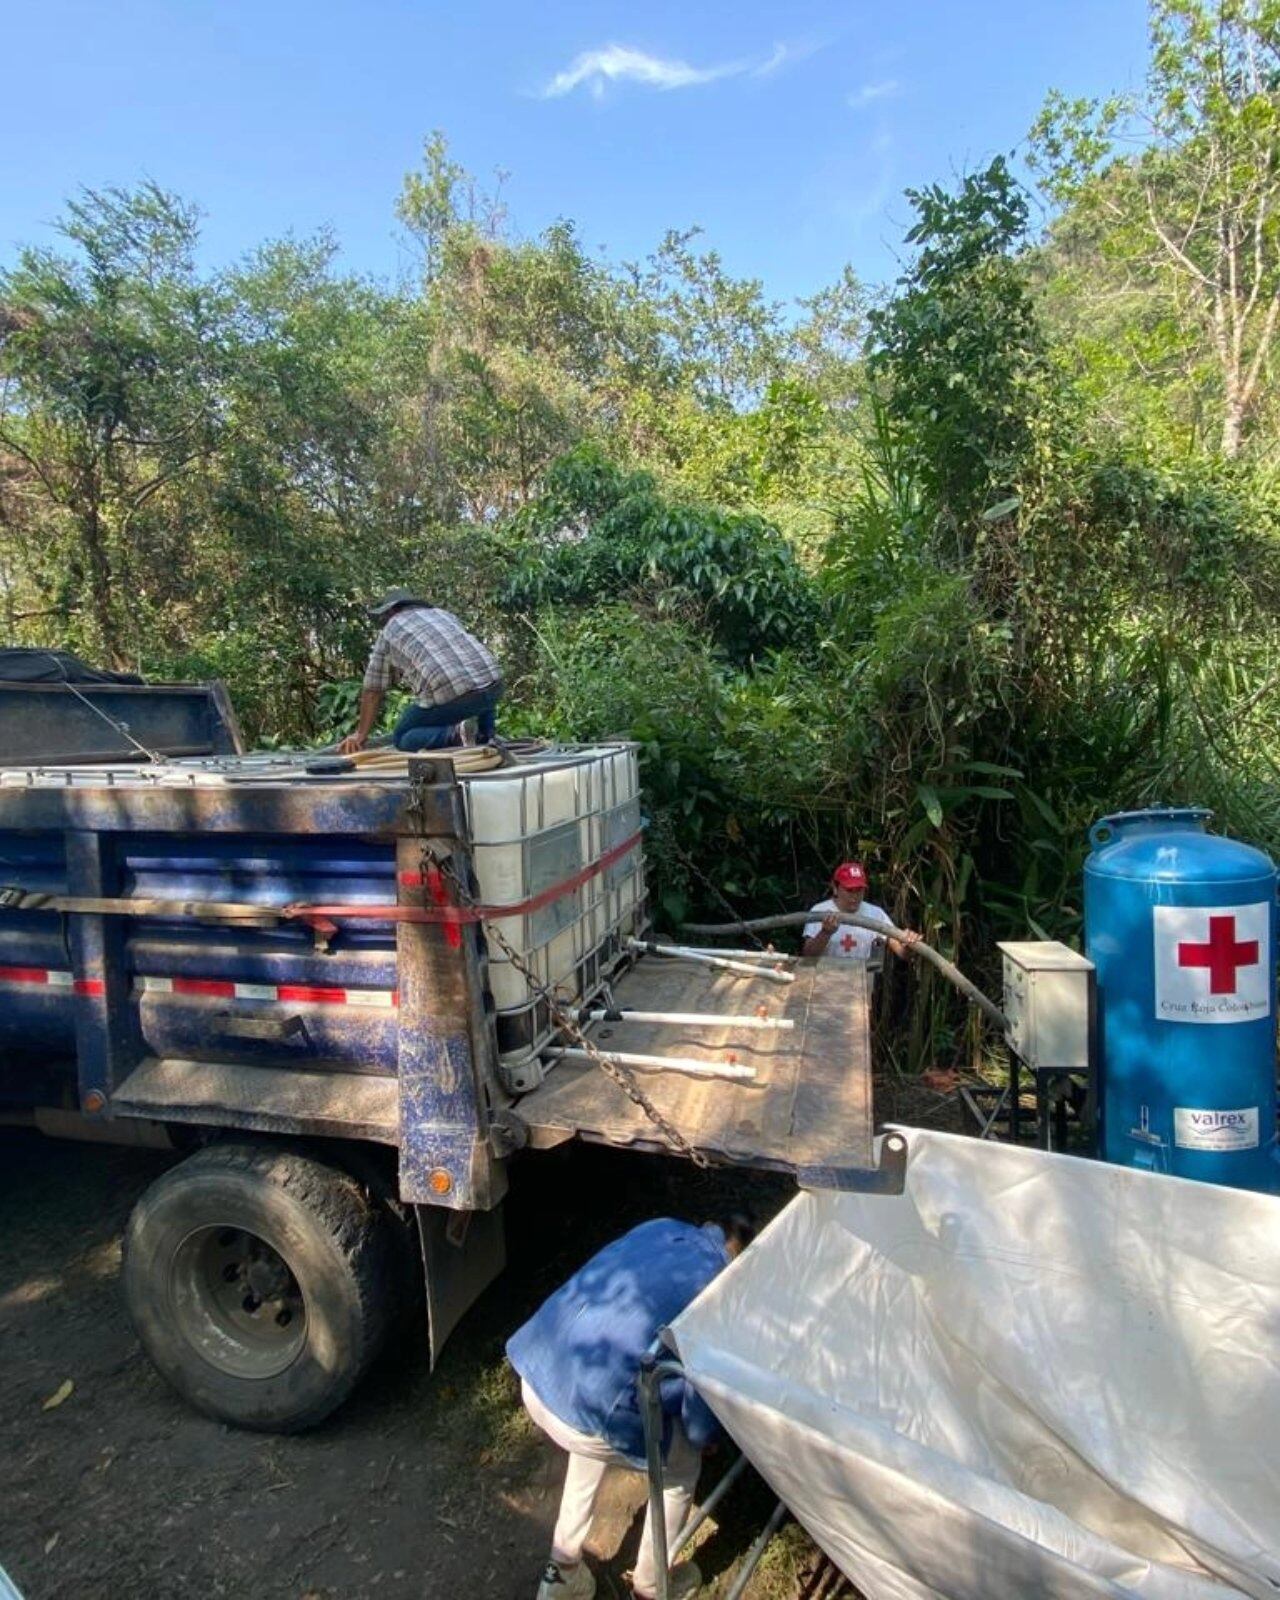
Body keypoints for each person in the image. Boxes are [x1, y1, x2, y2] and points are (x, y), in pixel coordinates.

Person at [507, 1215, 754, 1600]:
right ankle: (652, 1586)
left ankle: (563, 1570)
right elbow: (701, 1425)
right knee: (680, 1470)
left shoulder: (661, 1227)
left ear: (709, 1227)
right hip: (585, 1408)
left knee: (593, 1424)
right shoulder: (720, 1295)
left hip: (538, 1370)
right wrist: (705, 1436)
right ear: (742, 1265)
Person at [337, 589, 503, 755]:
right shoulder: (443, 615)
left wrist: (360, 734)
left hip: (454, 695)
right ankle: (486, 734)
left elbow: (373, 690)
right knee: (481, 683)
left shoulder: (390, 630)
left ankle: (456, 735)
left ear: (392, 611)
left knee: (402, 736)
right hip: (496, 685)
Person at [801, 860, 921, 964]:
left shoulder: (876, 914)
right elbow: (808, 956)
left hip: (861, 984)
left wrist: (909, 944)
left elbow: (902, 953)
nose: (855, 896)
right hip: (823, 983)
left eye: (859, 890)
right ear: (835, 888)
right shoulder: (819, 911)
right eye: (849, 890)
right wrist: (825, 933)